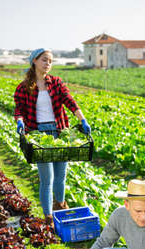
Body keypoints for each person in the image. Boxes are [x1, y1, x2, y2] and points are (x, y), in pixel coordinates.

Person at [14, 48, 91, 226]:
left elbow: (69, 101)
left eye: (50, 61)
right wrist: (19, 121)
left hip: (59, 133)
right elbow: (19, 109)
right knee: (46, 178)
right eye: (44, 60)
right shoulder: (24, 87)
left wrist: (82, 119)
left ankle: (60, 206)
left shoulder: (56, 82)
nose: (48, 63)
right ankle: (48, 216)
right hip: (38, 135)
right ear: (34, 61)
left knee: (60, 176)